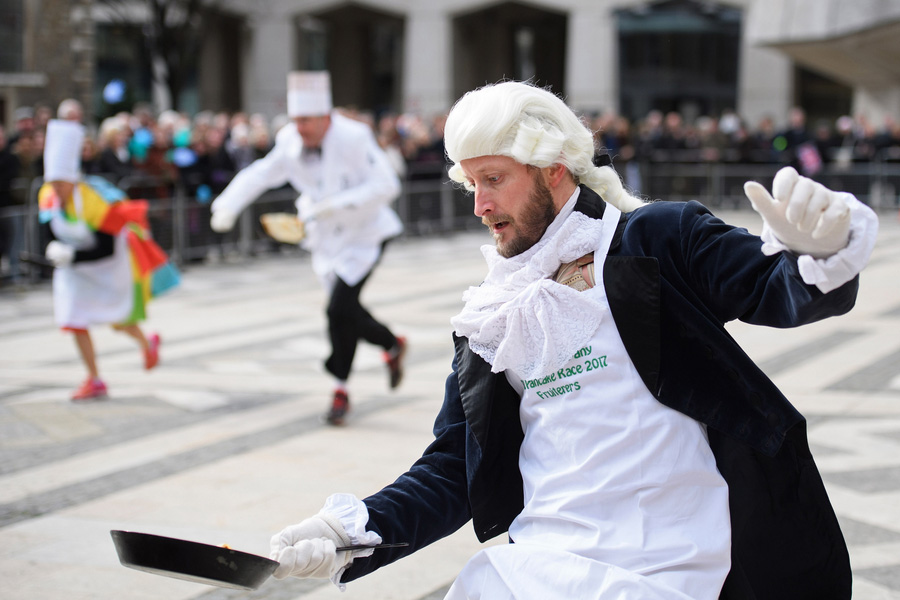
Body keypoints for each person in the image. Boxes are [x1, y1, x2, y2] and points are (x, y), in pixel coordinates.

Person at [266, 81, 879, 599]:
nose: (479, 204)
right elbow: (456, 462)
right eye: (470, 183)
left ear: (551, 169)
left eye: (494, 179)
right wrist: (352, 528)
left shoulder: (658, 240)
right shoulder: (492, 311)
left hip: (674, 565)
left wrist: (822, 252)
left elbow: (773, 287)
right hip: (540, 565)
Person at [210, 71, 407, 426]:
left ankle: (339, 386)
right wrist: (228, 204)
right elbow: (260, 173)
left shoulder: (354, 136)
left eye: (307, 120)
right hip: (326, 239)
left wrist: (336, 204)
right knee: (344, 312)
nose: (300, 127)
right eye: (296, 120)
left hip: (365, 234)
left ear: (326, 117)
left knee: (338, 310)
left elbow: (387, 185)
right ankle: (392, 344)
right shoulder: (288, 141)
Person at [39, 119, 179, 401]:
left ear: (71, 179)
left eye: (61, 183)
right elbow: (46, 230)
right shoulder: (47, 197)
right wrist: (54, 250)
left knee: (118, 317)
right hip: (74, 268)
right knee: (73, 318)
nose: (56, 189)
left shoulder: (92, 199)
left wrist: (73, 254)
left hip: (108, 264)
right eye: (52, 183)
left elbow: (104, 246)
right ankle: (94, 378)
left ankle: (146, 343)